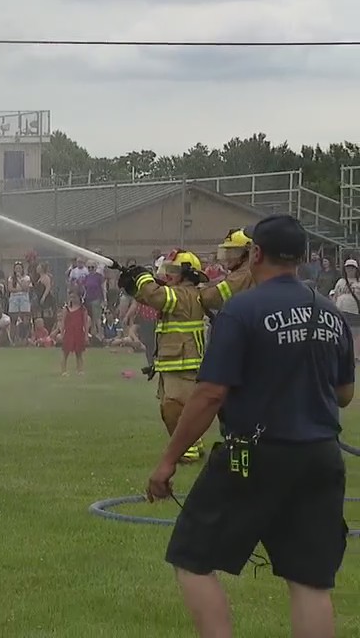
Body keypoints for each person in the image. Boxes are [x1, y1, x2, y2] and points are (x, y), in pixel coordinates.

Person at [146, 215, 352, 637]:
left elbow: (210, 394)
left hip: (255, 455)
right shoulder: (329, 312)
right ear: (304, 258)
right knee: (310, 581)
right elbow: (345, 393)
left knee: (192, 557)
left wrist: (167, 461)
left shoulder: (242, 310)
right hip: (320, 458)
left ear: (256, 254)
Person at [120, 249, 210, 464]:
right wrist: (132, 286)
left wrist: (142, 276)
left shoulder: (184, 294)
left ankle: (188, 450)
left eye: (173, 270)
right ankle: (192, 446)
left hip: (183, 361)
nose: (167, 275)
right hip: (174, 360)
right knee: (175, 407)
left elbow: (157, 296)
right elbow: (150, 298)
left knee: (175, 407)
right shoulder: (179, 292)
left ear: (188, 274)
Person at [60, 294, 88, 376]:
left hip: (79, 333)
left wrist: (86, 336)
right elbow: (63, 322)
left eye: (74, 297)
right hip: (69, 333)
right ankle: (63, 371)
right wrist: (62, 333)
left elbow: (85, 324)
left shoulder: (83, 309)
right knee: (65, 353)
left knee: (79, 353)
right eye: (71, 297)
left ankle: (80, 370)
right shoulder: (66, 309)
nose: (73, 299)